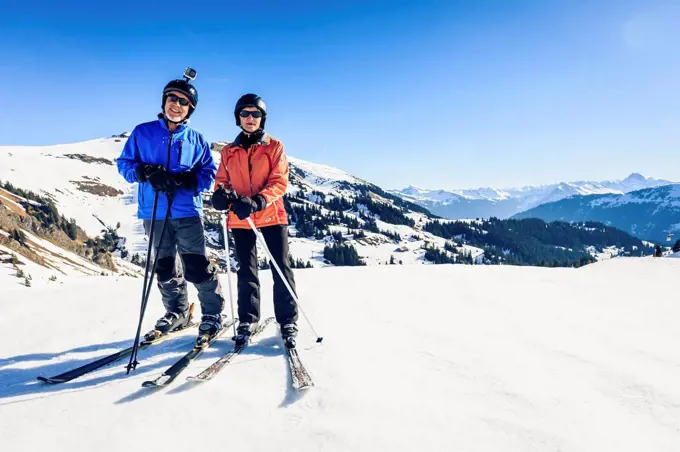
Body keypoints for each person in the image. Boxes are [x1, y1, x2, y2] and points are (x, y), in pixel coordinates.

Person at [116, 73, 226, 344]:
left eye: (184, 102)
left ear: (190, 109)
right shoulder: (143, 132)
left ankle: (212, 314)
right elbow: (124, 164)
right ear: (164, 101)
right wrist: (145, 172)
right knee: (164, 266)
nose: (176, 105)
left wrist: (192, 179)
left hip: (187, 210)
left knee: (196, 265)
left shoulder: (196, 140)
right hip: (153, 211)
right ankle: (177, 311)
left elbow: (209, 172)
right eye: (172, 99)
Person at [211, 93, 300, 348]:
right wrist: (221, 197)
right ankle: (247, 319)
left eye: (256, 114)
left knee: (280, 268)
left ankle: (287, 320)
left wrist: (259, 201)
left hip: (271, 214)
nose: (250, 118)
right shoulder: (229, 151)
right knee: (246, 271)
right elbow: (222, 180)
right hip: (241, 218)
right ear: (238, 117)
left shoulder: (274, 147)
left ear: (263, 118)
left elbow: (279, 181)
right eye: (245, 113)